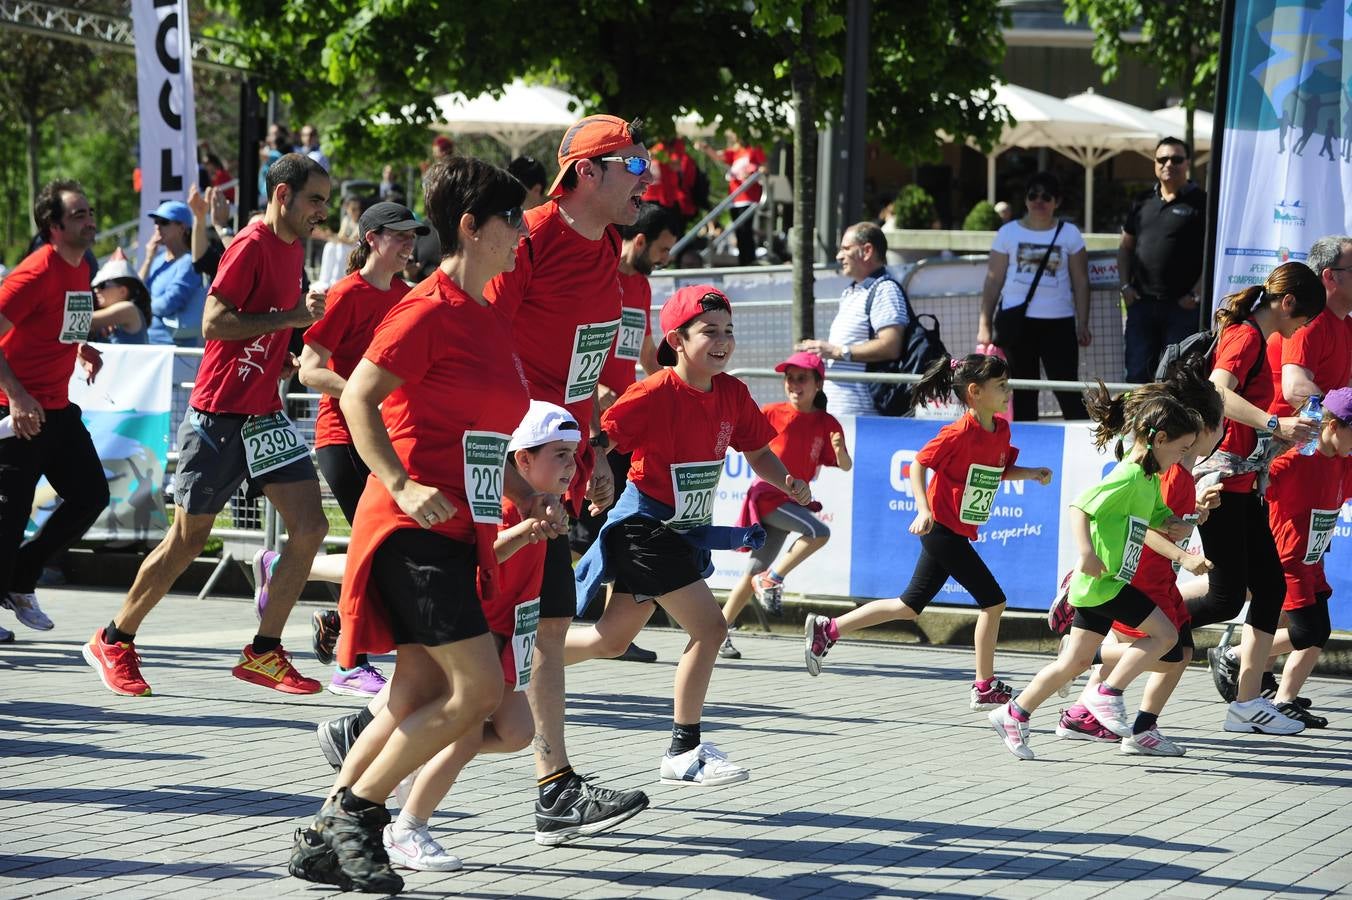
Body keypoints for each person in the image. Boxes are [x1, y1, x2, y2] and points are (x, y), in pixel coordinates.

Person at [288, 157, 536, 894]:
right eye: (512, 218)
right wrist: (400, 480)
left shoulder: (489, 315)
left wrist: (529, 492)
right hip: (409, 527)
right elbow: (357, 396)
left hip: (462, 533)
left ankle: (321, 835)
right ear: (471, 227)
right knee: (479, 693)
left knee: (411, 699)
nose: (523, 231)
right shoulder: (425, 308)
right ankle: (359, 816)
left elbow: (485, 441)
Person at [82, 154, 332, 698]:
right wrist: (290, 320)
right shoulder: (250, 245)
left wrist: (283, 353)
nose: (323, 212)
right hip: (217, 417)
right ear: (284, 195)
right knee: (188, 540)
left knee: (310, 526)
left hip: (264, 414)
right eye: (315, 200)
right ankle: (114, 639)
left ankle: (263, 652)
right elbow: (213, 322)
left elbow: (266, 325)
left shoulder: (292, 249)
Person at [482, 114, 655, 840]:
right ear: (588, 172)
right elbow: (480, 347)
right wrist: (512, 475)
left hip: (558, 468)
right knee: (481, 632)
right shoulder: (527, 238)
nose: (646, 181)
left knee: (549, 627)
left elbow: (597, 371)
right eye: (634, 167)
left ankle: (554, 787)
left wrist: (603, 453)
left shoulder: (611, 249)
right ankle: (370, 743)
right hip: (505, 467)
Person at [567, 285, 812, 785]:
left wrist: (785, 479)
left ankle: (517, 655)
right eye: (709, 332)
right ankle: (684, 750)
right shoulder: (654, 392)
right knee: (711, 629)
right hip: (643, 528)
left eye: (728, 331)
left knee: (611, 640)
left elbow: (758, 453)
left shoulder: (733, 393)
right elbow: (602, 440)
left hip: (679, 533)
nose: (722, 341)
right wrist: (597, 475)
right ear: (677, 340)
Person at [382, 401, 608, 870]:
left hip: (512, 636)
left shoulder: (554, 507)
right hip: (475, 632)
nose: (572, 466)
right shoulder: (504, 506)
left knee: (517, 732)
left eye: (574, 454)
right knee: (463, 739)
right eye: (559, 455)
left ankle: (415, 756)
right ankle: (408, 828)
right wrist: (527, 530)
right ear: (522, 461)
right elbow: (484, 559)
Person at [804, 353, 1052, 709]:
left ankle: (828, 630)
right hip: (941, 529)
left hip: (956, 530)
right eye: (1000, 386)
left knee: (908, 607)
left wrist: (1031, 472)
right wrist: (923, 509)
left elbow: (998, 470)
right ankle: (984, 685)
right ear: (975, 392)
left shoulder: (1002, 430)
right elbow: (919, 464)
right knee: (993, 602)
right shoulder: (956, 433)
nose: (1008, 392)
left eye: (1006, 384)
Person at [251, 202, 427, 700]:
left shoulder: (408, 297)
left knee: (385, 549)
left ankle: (291, 578)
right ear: (371, 238)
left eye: (413, 236)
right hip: (343, 438)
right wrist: (361, 392)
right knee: (379, 549)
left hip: (387, 437)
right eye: (399, 235)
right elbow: (309, 369)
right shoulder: (343, 295)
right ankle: (351, 664)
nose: (410, 244)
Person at [989, 383, 1209, 760]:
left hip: (1105, 584)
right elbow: (1080, 507)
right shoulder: (1126, 476)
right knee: (1166, 635)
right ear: (1157, 439)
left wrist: (1182, 521)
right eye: (1180, 449)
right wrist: (1087, 552)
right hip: (1104, 582)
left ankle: (1013, 713)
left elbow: (1157, 517)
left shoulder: (1148, 479)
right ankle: (1106, 694)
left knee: (1073, 662)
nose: (1182, 457)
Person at [1054, 364, 1225, 756]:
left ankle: (1120, 720)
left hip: (1160, 574)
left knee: (1178, 653)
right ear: (1200, 428)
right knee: (1168, 651)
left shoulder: (1180, 473)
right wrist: (1183, 553)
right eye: (1221, 426)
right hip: (1141, 572)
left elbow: (1167, 522)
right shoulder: (1160, 471)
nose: (1222, 435)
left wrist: (1197, 514)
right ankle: (1085, 661)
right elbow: (1143, 529)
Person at [1184, 262, 1326, 732]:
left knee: (1269, 588)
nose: (1301, 329)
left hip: (1243, 483)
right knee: (1226, 600)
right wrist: (1274, 424)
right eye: (1302, 320)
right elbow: (1217, 395)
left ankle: (1246, 704)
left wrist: (1274, 439)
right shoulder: (1245, 336)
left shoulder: (1255, 337)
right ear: (1287, 305)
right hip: (1221, 484)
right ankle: (1106, 636)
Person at [0, 180, 108, 638]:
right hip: (17, 412)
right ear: (54, 226)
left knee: (91, 496)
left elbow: (72, 315)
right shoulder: (33, 274)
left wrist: (82, 346)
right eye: (80, 214)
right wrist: (18, 396)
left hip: (58, 411)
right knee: (8, 516)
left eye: (89, 211)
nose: (91, 220)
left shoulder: (82, 263)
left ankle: (20, 579)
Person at [571, 200, 673, 662]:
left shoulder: (643, 286)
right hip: (589, 417)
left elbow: (647, 350)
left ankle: (612, 632)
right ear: (638, 241)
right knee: (590, 521)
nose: (666, 257)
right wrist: (593, 400)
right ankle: (567, 618)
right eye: (663, 248)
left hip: (623, 418)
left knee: (614, 520)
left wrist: (667, 388)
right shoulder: (600, 278)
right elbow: (579, 346)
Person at [721, 350, 850, 659]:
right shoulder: (771, 412)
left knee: (752, 573)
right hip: (766, 496)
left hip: (789, 503)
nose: (793, 384)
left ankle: (717, 633)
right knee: (818, 532)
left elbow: (844, 465)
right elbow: (741, 438)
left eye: (801, 379)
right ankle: (771, 580)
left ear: (818, 384)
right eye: (789, 379)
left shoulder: (827, 423)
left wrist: (840, 449)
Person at [1258, 388, 1352, 728]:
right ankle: (1235, 656)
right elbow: (1258, 486)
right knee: (1304, 631)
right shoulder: (1294, 460)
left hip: (1313, 561)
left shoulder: (1343, 462)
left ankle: (1284, 700)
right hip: (1288, 559)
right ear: (1332, 425)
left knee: (1319, 631)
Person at [976, 171, 1091, 421]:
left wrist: (1083, 322)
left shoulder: (1069, 233)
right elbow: (993, 280)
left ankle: (1085, 446)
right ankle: (1025, 448)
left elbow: (1081, 280)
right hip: (1017, 323)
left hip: (1058, 322)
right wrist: (984, 325)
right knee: (1023, 391)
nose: (1039, 201)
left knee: (1068, 389)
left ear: (1056, 202)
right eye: (1033, 195)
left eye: (1046, 197)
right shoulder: (1008, 232)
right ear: (1026, 200)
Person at [797, 222, 908, 417]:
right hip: (846, 415)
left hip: (865, 416)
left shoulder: (884, 289)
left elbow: (891, 345)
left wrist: (837, 351)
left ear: (867, 251)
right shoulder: (853, 291)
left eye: (846, 249)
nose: (839, 256)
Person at [1119, 138, 1207, 383]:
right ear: (1155, 163)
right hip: (1141, 305)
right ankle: (1138, 422)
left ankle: (1173, 423)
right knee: (1137, 375)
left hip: (1183, 309)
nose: (1169, 164)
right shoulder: (1141, 201)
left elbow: (1210, 255)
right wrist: (1125, 287)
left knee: (1178, 379)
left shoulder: (1203, 203)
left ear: (1187, 163)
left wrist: (1196, 294)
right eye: (1162, 159)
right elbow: (1125, 247)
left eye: (1177, 159)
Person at [1269, 235, 1352, 418]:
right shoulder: (1309, 320)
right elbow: (1296, 388)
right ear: (1330, 276)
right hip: (1279, 440)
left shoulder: (1346, 324)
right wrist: (1341, 420)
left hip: (1314, 437)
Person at [139, 200, 207, 347]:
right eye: (156, 222)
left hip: (175, 349)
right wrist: (148, 259)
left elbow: (171, 302)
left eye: (163, 222)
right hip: (149, 343)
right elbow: (135, 291)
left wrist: (140, 308)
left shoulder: (189, 262)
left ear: (182, 227)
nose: (157, 227)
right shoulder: (156, 261)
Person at [697, 135, 766, 266]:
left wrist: (752, 171)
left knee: (746, 230)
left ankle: (749, 260)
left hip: (749, 198)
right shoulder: (735, 153)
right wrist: (706, 148)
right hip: (735, 198)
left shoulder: (754, 149)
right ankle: (743, 261)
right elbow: (718, 157)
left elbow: (764, 168)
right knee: (739, 231)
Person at [89, 255, 151, 344]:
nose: (96, 290)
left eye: (102, 285)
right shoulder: (115, 315)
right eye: (95, 287)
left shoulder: (128, 308)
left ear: (123, 291)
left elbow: (85, 320)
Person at [641, 137, 697, 232]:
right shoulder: (658, 147)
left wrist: (662, 158)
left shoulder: (675, 146)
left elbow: (678, 166)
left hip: (669, 198)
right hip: (652, 197)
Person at [318, 197, 364, 287]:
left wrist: (333, 236)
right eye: (353, 209)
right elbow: (341, 236)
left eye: (357, 209)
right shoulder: (346, 220)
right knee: (329, 246)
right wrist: (332, 237)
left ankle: (336, 280)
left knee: (341, 248)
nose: (356, 212)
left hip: (354, 248)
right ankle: (324, 280)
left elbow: (352, 241)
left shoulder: (360, 224)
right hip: (346, 246)